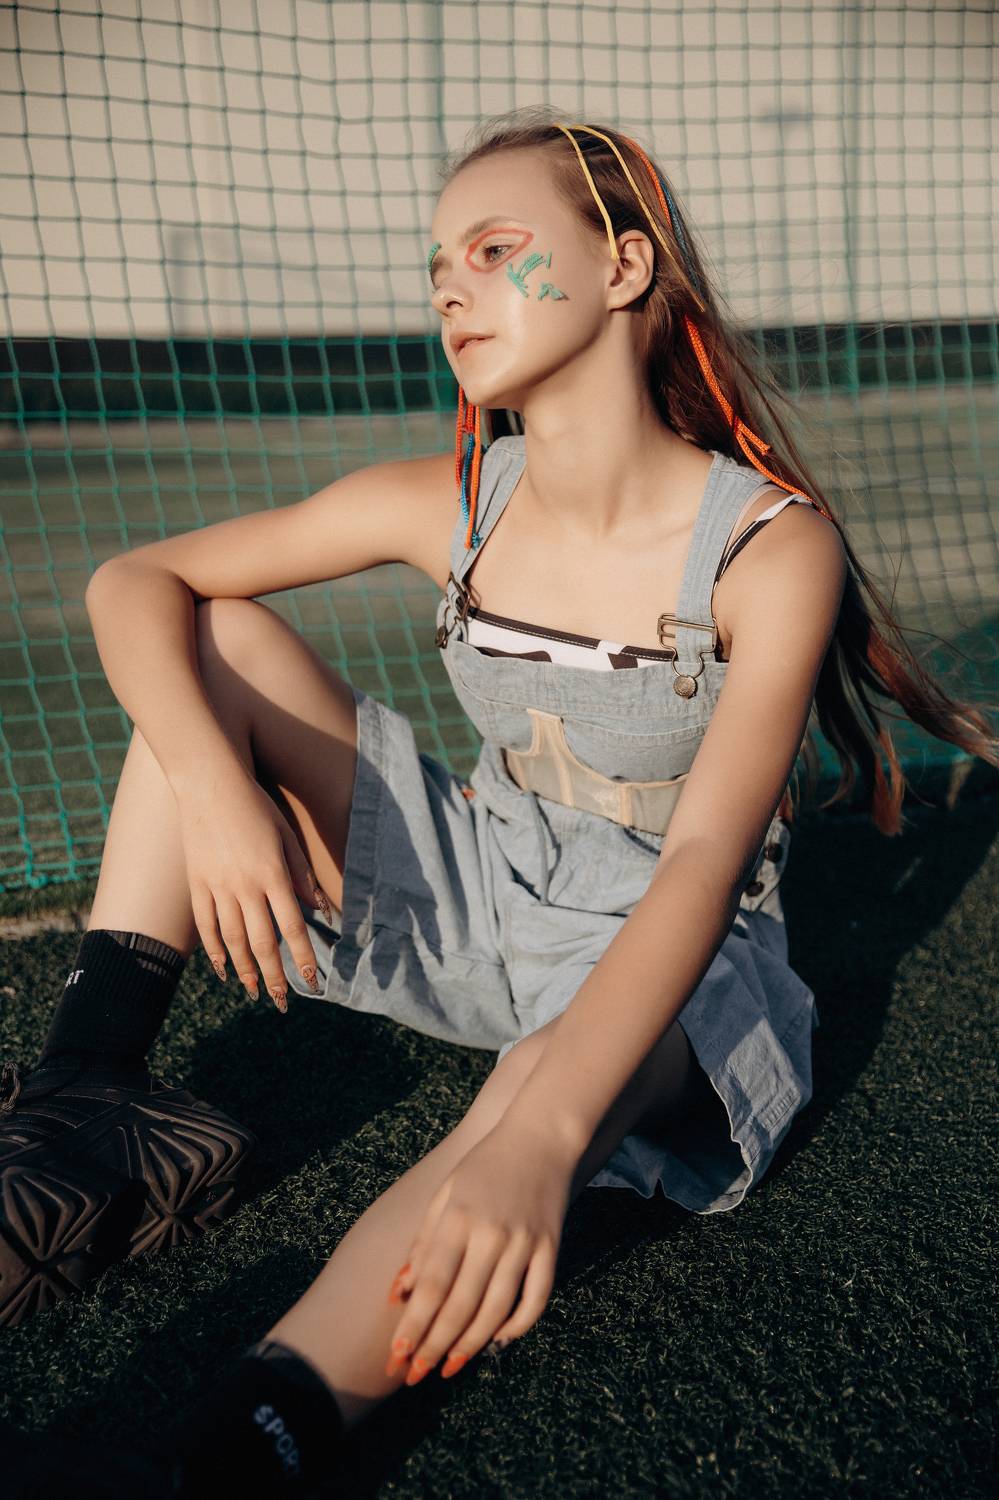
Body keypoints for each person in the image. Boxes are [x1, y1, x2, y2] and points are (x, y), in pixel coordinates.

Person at [4, 107, 996, 1496]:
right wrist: (216, 789)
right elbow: (135, 582)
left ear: (625, 267)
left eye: (492, 250)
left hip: (672, 951)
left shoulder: (769, 547)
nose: (449, 290)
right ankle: (89, 1100)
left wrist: (541, 1136)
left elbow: (704, 861)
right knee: (209, 640)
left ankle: (239, 1448)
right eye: (438, 267)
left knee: (531, 1094)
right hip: (486, 879)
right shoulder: (453, 500)